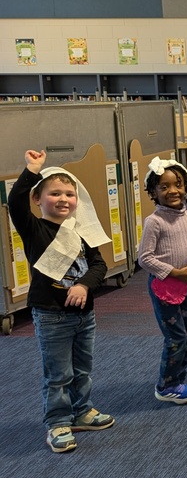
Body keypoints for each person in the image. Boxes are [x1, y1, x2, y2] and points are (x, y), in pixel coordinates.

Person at [10, 149, 114, 453]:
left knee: (82, 368)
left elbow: (99, 265)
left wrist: (83, 285)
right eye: (54, 193)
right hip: (51, 314)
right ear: (37, 198)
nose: (63, 199)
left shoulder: (79, 232)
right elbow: (15, 202)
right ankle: (57, 422)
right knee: (58, 374)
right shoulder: (35, 229)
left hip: (84, 314)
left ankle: (81, 411)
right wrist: (32, 169)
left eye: (69, 194)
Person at [138, 157, 187, 405]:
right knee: (176, 338)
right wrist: (175, 272)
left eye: (178, 184)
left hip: (185, 284)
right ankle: (166, 386)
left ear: (186, 186)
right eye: (164, 187)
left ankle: (178, 381)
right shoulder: (154, 221)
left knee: (186, 337)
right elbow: (145, 258)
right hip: (164, 286)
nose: (173, 191)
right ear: (153, 192)